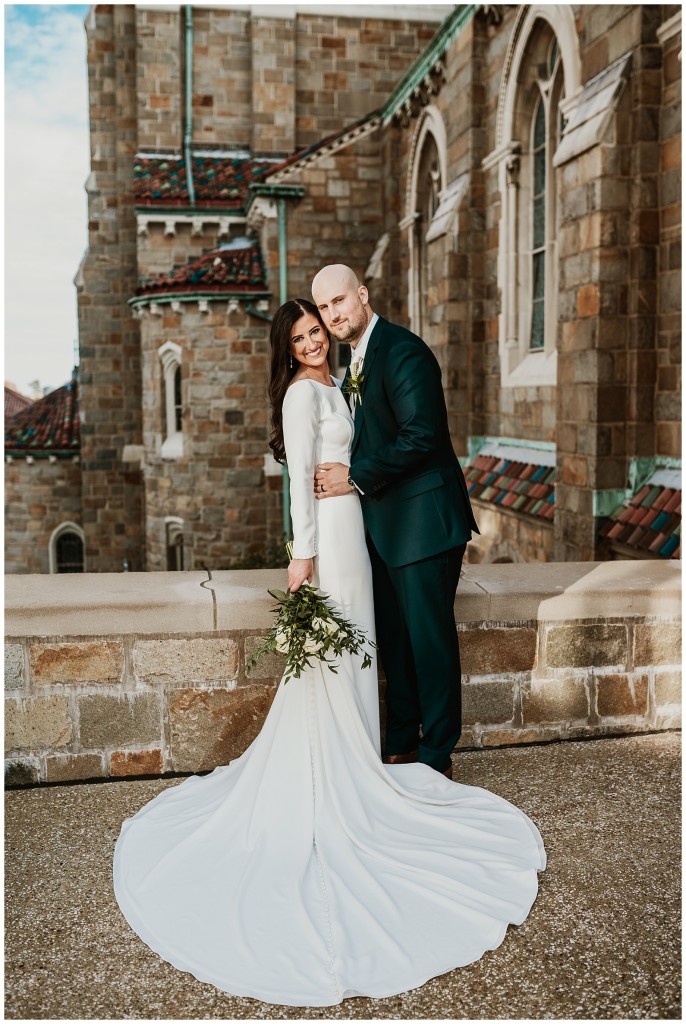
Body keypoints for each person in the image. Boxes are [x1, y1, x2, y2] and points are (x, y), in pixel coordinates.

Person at [113, 297, 545, 1008]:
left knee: (361, 650)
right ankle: (333, 774)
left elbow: (355, 456)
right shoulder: (297, 396)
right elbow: (298, 485)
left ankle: (363, 755)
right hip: (331, 539)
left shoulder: (335, 382)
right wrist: (300, 556)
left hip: (358, 527)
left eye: (319, 328)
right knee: (338, 655)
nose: (316, 340)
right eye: (304, 335)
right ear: (287, 349)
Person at [312, 264, 479, 779]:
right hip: (384, 528)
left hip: (424, 525)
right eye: (324, 307)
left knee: (429, 641)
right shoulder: (357, 362)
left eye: (340, 300)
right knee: (397, 642)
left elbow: (421, 435)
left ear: (362, 295)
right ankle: (403, 739)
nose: (334, 314)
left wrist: (353, 477)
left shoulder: (403, 350)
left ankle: (438, 753)